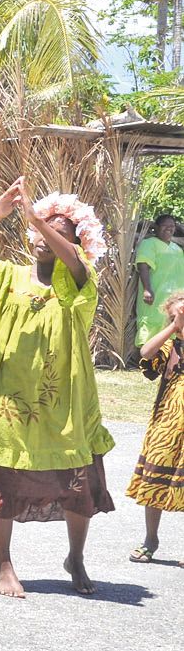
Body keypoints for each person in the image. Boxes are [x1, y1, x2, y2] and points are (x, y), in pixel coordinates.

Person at [0, 179, 114, 598]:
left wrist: (38, 216)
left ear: (76, 243)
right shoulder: (3, 277)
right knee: (2, 484)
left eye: (60, 232)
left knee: (76, 484)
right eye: (40, 229)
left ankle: (76, 557)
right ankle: (4, 563)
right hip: (6, 403)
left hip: (64, 404)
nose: (44, 236)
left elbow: (74, 265)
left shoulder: (79, 284)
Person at [130, 292, 184, 563]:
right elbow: (145, 354)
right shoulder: (170, 344)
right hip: (166, 424)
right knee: (155, 476)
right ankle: (151, 538)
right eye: (175, 317)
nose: (181, 321)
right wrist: (174, 328)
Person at [135, 215, 184, 347]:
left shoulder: (177, 248)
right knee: (153, 322)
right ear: (156, 227)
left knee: (172, 324)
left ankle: (167, 362)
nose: (169, 229)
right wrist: (147, 289)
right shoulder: (149, 244)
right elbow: (143, 265)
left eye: (172, 226)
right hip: (155, 293)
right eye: (165, 226)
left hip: (174, 298)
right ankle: (148, 360)